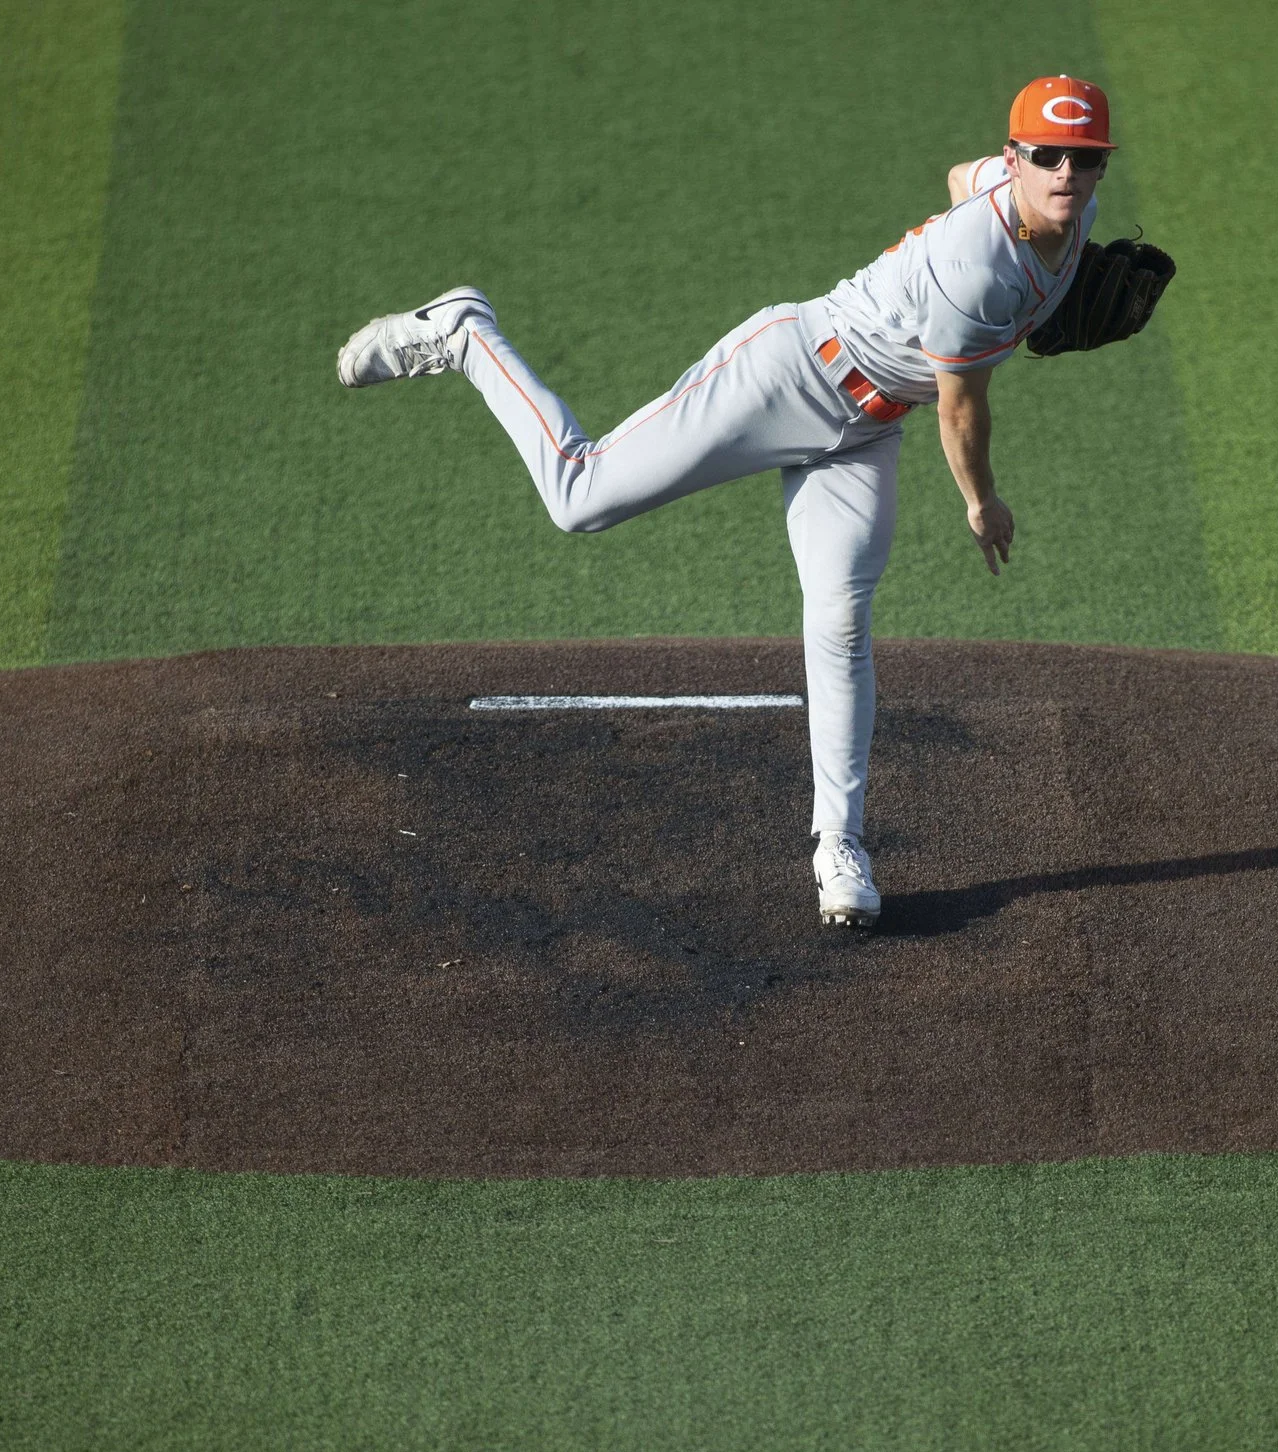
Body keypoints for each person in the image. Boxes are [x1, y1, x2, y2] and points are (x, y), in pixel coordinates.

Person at [338, 75, 1117, 930]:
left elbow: (959, 177)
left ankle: (840, 846)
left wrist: (1001, 208)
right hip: (786, 374)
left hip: (866, 429)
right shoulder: (980, 265)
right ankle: (463, 330)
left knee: (841, 618)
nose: (1065, 175)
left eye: (1082, 159)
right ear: (1020, 155)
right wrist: (983, 502)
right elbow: (962, 407)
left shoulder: (1054, 217)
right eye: (1046, 156)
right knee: (579, 496)